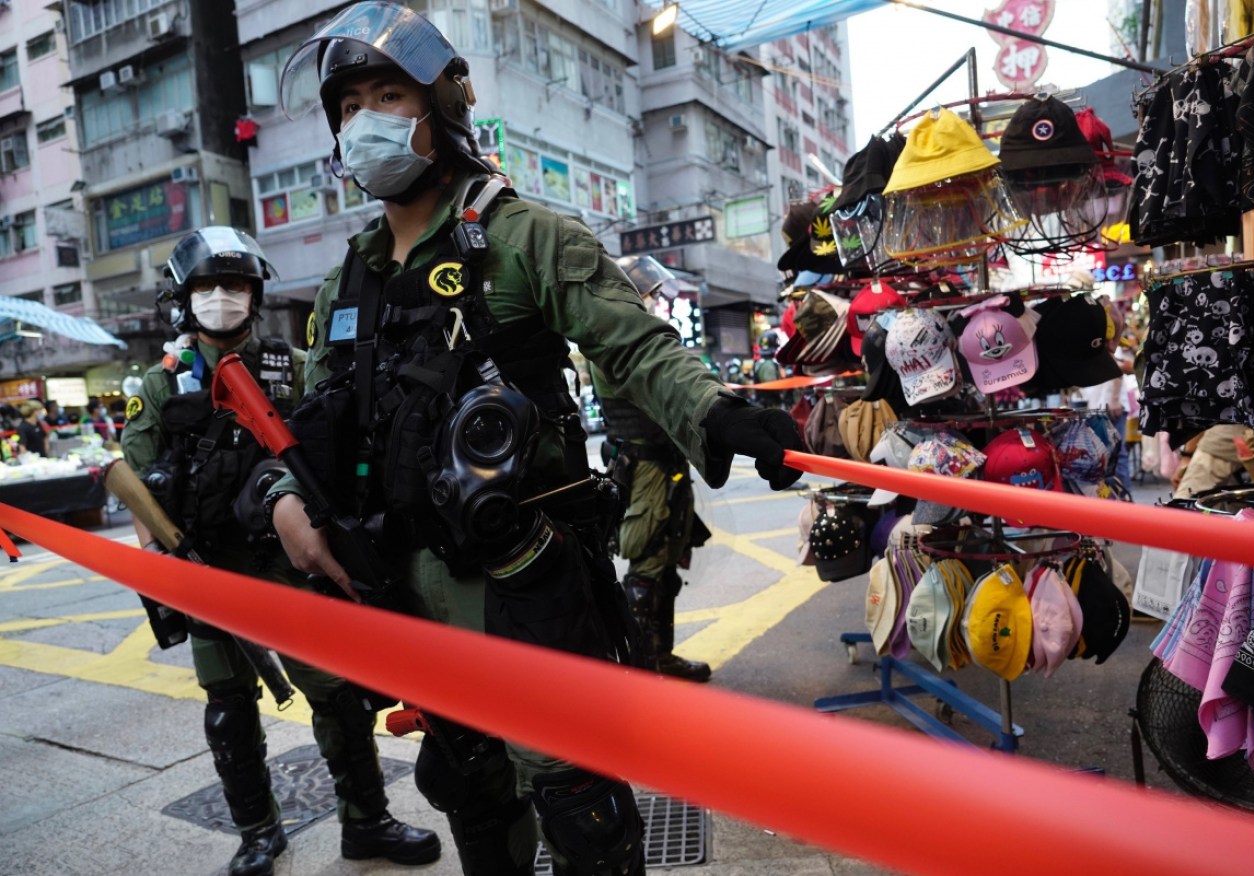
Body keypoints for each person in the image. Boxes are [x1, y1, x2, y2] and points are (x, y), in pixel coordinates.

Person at [268, 5, 803, 873]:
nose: (366, 119)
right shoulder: (347, 281)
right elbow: (314, 417)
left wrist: (715, 413)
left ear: (439, 108)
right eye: (349, 104)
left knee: (581, 809)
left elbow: (633, 346)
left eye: (388, 94)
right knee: (472, 797)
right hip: (409, 591)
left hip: (527, 585)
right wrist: (287, 499)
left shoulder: (523, 237)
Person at [119, 227, 438, 876]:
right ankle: (257, 834)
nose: (222, 298)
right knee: (229, 713)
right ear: (182, 298)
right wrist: (162, 567)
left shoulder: (293, 367)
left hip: (290, 565)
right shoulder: (161, 386)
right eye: (206, 286)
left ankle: (366, 822)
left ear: (256, 294)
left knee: (339, 699)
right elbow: (137, 480)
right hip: (206, 570)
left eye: (234, 284)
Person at [593, 256, 712, 683]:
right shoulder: (615, 338)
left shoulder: (628, 335)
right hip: (645, 468)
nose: (657, 303)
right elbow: (659, 387)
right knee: (645, 570)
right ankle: (642, 673)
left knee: (664, 567)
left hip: (664, 464)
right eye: (651, 295)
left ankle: (660, 658)